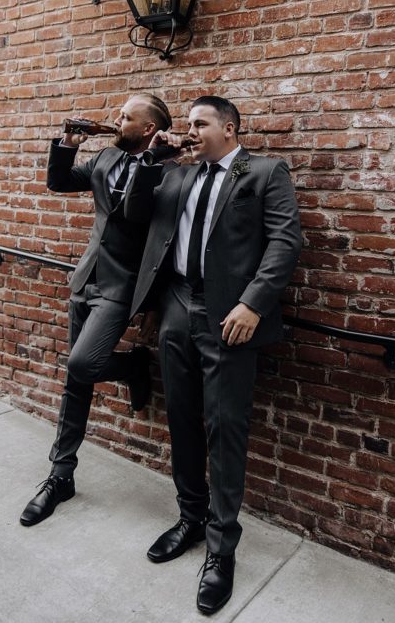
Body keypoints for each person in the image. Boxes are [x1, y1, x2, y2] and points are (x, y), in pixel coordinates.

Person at [125, 95, 301, 616]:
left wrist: (253, 303)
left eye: (200, 124)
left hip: (229, 318)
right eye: (188, 124)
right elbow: (133, 214)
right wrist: (150, 160)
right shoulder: (176, 175)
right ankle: (190, 519)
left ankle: (222, 551)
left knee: (225, 429)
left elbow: (285, 242)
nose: (191, 131)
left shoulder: (263, 171)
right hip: (176, 307)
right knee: (181, 420)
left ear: (228, 128)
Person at [20, 93, 172, 527]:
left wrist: (153, 160)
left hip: (121, 288)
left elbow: (136, 211)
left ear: (147, 130)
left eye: (126, 117)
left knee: (82, 364)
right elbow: (60, 182)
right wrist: (67, 143)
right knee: (77, 379)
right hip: (86, 279)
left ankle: (128, 367)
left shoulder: (168, 171)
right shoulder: (105, 157)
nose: (115, 120)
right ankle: (60, 474)